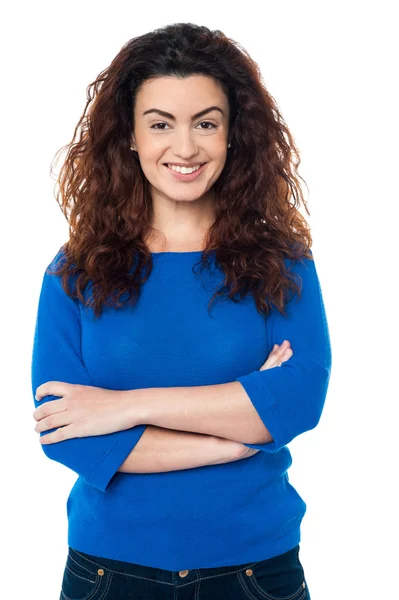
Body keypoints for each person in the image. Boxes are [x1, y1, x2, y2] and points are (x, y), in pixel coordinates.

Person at [31, 22, 331, 600]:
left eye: (206, 123)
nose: (186, 148)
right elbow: (68, 433)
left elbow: (296, 400)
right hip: (107, 573)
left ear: (232, 134)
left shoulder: (282, 262)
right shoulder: (75, 269)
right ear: (131, 138)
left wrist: (122, 408)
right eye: (161, 124)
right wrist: (231, 438)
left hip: (255, 573)